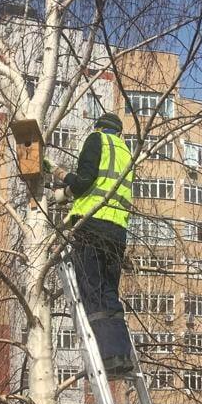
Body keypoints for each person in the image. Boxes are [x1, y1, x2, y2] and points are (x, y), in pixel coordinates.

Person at [51, 112, 134, 378]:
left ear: (99, 127)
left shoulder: (96, 139)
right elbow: (103, 185)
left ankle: (106, 358)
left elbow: (86, 181)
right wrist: (67, 195)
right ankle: (120, 355)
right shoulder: (126, 152)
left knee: (92, 292)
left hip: (92, 227)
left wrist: (62, 176)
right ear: (119, 132)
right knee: (109, 293)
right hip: (117, 232)